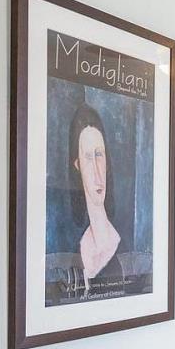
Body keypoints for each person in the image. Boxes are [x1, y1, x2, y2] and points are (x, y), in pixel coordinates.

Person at [67, 104, 122, 290]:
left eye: (99, 155)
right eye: (88, 158)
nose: (98, 173)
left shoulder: (117, 245)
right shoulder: (79, 248)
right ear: (77, 165)